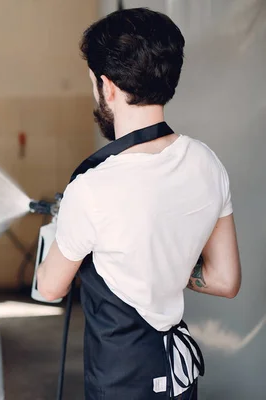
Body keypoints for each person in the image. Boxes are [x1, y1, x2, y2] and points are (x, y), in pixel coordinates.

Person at [36, 7, 241, 400]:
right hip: (178, 377)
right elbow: (225, 280)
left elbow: (49, 287)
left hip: (121, 380)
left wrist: (65, 226)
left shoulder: (93, 188)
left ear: (107, 87)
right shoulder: (206, 162)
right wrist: (162, 260)